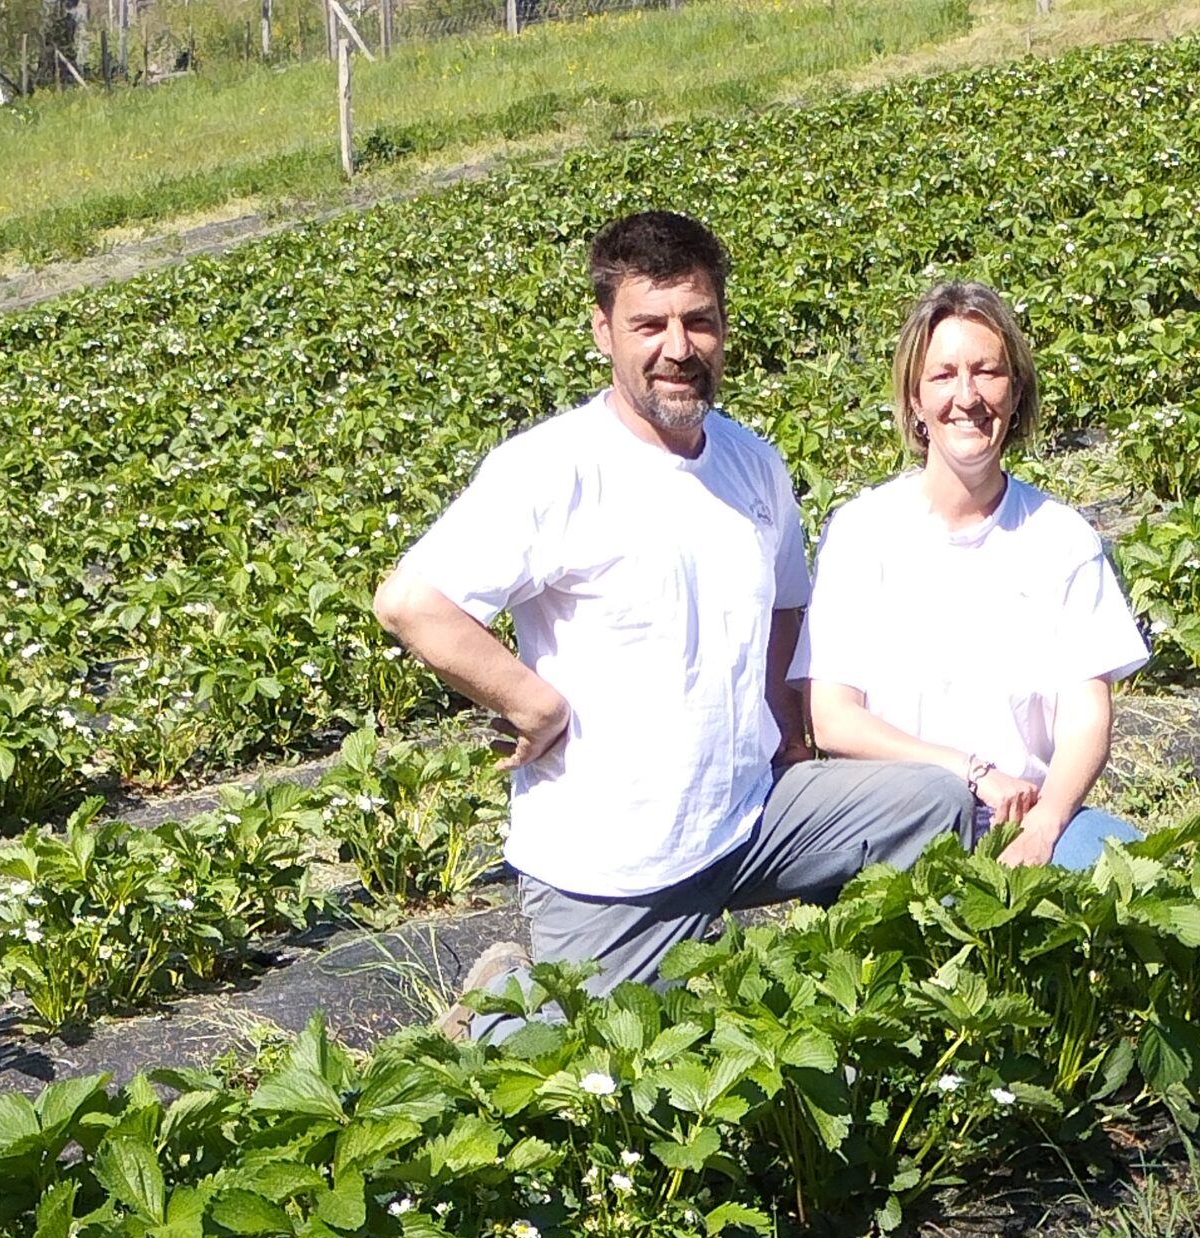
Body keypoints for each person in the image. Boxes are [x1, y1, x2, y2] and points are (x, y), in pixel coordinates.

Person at [372, 210, 973, 1024]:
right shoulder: (552, 470)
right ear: (602, 332)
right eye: (648, 324)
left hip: (752, 818)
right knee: (594, 1075)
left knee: (934, 804)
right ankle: (500, 1007)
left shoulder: (751, 464)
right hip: (620, 863)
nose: (678, 347)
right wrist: (533, 704)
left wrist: (787, 728)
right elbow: (413, 602)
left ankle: (884, 1009)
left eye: (699, 321)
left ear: (724, 328)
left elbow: (788, 601)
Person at [800, 279, 1150, 871]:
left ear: (1015, 395)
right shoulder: (863, 532)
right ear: (915, 400)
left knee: (1138, 878)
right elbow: (833, 719)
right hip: (897, 820)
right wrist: (968, 770)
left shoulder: (1059, 537)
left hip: (1026, 813)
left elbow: (1088, 712)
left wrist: (1046, 823)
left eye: (987, 372)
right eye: (943, 376)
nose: (967, 396)